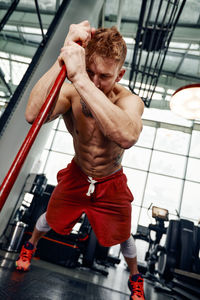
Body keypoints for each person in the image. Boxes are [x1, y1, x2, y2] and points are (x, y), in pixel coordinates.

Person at [15, 20, 145, 300]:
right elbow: (32, 115)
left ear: (120, 75)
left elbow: (125, 136)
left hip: (111, 179)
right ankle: (30, 245)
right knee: (50, 217)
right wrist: (63, 55)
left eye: (105, 76)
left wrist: (82, 78)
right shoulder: (73, 92)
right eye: (89, 72)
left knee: (123, 235)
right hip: (78, 173)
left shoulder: (129, 101)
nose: (95, 81)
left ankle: (135, 278)